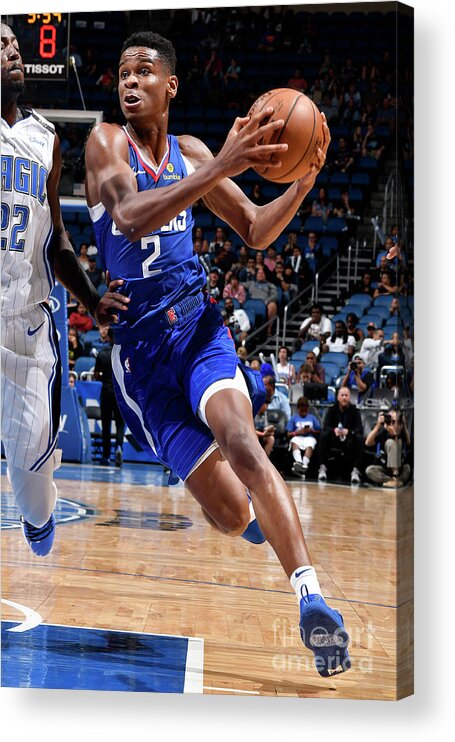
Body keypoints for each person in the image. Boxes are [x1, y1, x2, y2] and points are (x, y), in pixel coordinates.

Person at [84, 30, 350, 675]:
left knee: (241, 438)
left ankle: (313, 600)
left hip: (197, 326)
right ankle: (257, 520)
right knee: (232, 515)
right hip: (141, 359)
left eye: (145, 71)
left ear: (170, 85)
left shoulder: (194, 152)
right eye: (124, 71)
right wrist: (222, 166)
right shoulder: (105, 143)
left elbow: (257, 229)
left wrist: (305, 181)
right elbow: (130, 216)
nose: (131, 81)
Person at [1, 23, 128, 557]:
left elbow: (55, 239)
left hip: (25, 329)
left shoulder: (45, 139)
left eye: (13, 43)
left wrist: (92, 298)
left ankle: (38, 508)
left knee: (32, 497)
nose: (13, 51)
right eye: (0, 44)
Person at [317, 387, 364, 485]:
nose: (344, 398)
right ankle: (322, 468)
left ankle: (355, 471)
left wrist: (349, 431)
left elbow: (359, 429)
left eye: (346, 395)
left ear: (349, 397)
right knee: (323, 435)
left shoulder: (354, 411)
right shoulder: (332, 409)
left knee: (359, 438)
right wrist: (334, 430)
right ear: (338, 397)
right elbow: (326, 427)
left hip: (349, 440)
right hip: (335, 438)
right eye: (342, 395)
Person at [94, 329, 125, 467]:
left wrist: (102, 376)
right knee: (120, 423)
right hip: (119, 393)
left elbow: (96, 375)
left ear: (108, 338)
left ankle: (105, 456)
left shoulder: (102, 354)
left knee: (105, 424)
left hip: (106, 391)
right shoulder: (123, 353)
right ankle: (119, 447)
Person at [365, 410, 411, 488]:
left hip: (400, 469)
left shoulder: (401, 433)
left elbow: (408, 443)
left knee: (407, 468)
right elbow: (368, 443)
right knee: (369, 470)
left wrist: (404, 425)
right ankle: (392, 481)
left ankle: (394, 479)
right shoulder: (383, 432)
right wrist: (378, 425)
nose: (392, 424)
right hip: (385, 469)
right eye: (390, 421)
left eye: (395, 421)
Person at [287, 397, 320, 478]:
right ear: (298, 408)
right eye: (302, 410)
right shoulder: (293, 418)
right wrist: (297, 432)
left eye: (305, 409)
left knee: (310, 444)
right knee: (294, 441)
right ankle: (299, 462)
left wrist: (312, 431)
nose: (303, 411)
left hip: (309, 437)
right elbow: (288, 434)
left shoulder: (312, 418)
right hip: (297, 436)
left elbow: (319, 431)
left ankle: (304, 465)